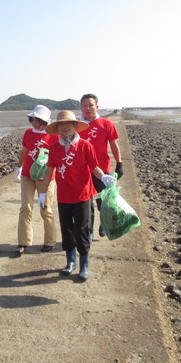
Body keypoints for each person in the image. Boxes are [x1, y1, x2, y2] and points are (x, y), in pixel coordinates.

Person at [37, 110, 106, 281]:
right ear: (57, 127)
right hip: (64, 197)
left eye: (68, 123)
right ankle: (70, 262)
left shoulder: (85, 145)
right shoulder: (54, 148)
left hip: (83, 196)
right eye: (61, 124)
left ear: (75, 125)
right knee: (67, 230)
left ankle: (84, 265)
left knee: (81, 230)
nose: (65, 126)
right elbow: (48, 171)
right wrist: (43, 193)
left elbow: (94, 168)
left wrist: (104, 177)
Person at [14, 105, 57, 255]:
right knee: (25, 207)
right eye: (32, 119)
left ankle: (50, 241)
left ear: (43, 121)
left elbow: (57, 155)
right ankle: (23, 242)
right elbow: (24, 151)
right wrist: (19, 167)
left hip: (45, 177)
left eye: (35, 119)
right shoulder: (28, 133)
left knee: (46, 209)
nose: (33, 122)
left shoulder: (53, 135)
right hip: (27, 176)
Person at [79, 94, 123, 238]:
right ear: (81, 108)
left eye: (91, 105)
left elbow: (113, 144)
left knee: (103, 200)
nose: (88, 108)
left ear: (97, 107)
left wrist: (119, 163)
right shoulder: (77, 126)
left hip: (102, 169)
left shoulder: (106, 124)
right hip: (82, 169)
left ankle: (104, 223)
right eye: (84, 106)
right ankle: (88, 230)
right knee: (86, 202)